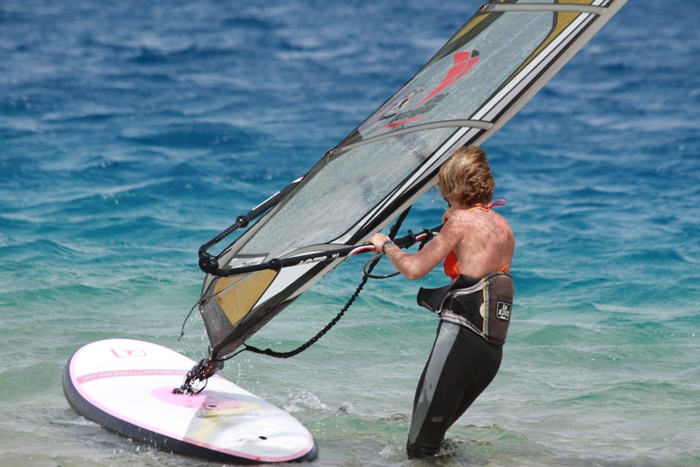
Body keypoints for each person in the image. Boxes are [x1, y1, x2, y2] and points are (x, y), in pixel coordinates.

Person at [366, 145, 515, 458]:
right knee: (435, 446)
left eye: (445, 190)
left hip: (459, 344)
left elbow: (414, 268)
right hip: (490, 353)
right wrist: (453, 220)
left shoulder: (459, 224)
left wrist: (386, 245)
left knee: (419, 449)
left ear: (455, 188)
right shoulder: (503, 227)